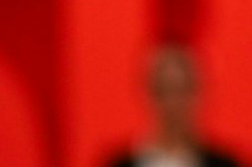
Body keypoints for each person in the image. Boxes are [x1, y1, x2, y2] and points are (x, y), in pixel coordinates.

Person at [103, 45, 244, 167]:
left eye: (182, 90)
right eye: (164, 90)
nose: (173, 103)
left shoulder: (226, 164)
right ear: (149, 94)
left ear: (198, 93)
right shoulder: (119, 164)